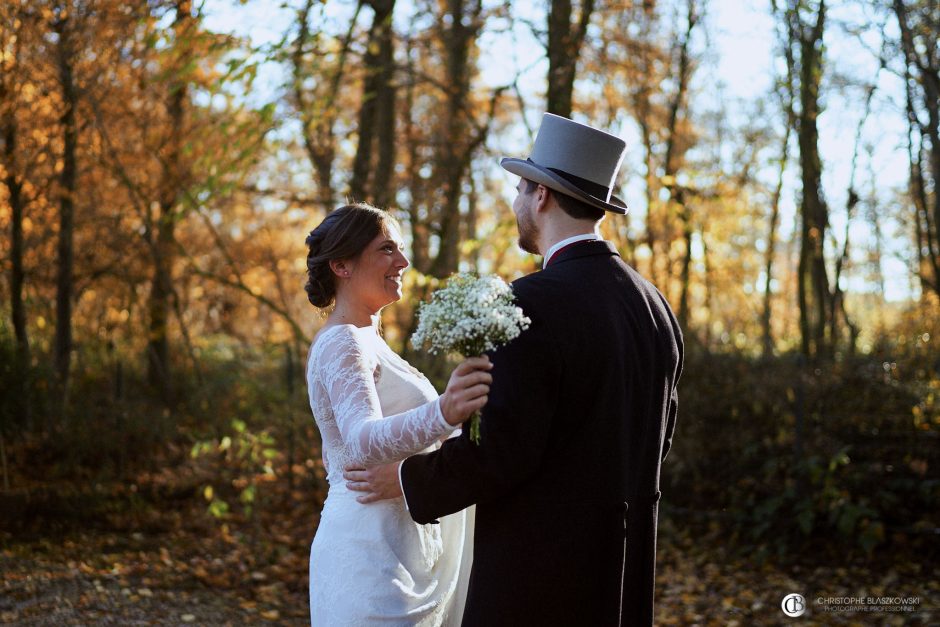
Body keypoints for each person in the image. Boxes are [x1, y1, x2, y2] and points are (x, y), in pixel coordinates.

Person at [346, 113, 684, 626]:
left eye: (520, 189)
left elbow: (502, 451)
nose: (516, 202)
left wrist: (408, 479)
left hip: (540, 580)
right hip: (623, 577)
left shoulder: (528, 305)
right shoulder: (654, 306)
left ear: (541, 196)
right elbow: (659, 438)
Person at [303, 202, 491, 625]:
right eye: (387, 249)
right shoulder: (342, 342)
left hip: (407, 547)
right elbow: (361, 441)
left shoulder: (370, 340)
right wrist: (444, 411)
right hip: (368, 552)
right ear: (341, 265)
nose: (403, 261)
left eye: (401, 249)